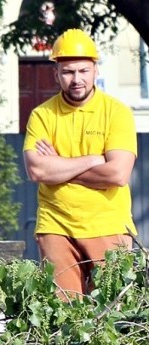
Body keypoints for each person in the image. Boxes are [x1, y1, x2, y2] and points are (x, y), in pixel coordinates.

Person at [23, 28, 137, 297]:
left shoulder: (116, 112)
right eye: (68, 72)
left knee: (111, 314)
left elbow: (117, 174)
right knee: (64, 317)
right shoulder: (42, 115)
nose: (76, 79)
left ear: (95, 70)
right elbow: (37, 169)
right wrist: (93, 160)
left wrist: (59, 167)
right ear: (57, 74)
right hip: (56, 226)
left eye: (83, 71)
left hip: (108, 226)